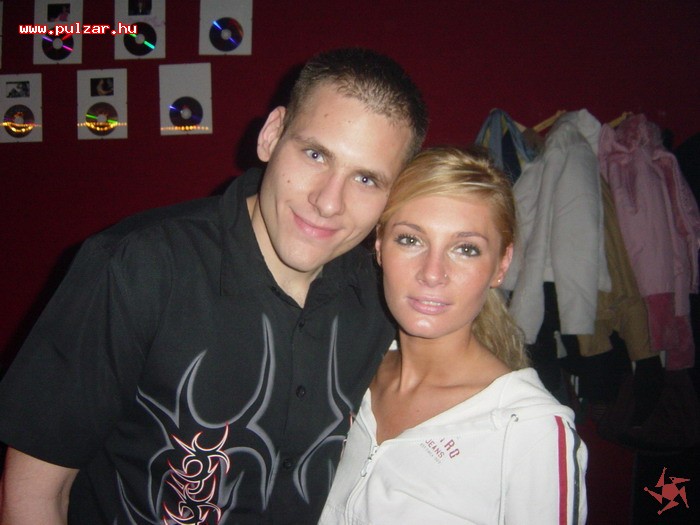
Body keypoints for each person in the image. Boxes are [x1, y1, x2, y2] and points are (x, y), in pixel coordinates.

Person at [0, 48, 427, 524]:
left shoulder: (385, 297)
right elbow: (34, 493)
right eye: (315, 154)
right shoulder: (137, 266)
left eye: (366, 178)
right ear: (271, 134)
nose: (328, 202)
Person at [319, 147, 588, 524]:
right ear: (379, 245)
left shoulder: (529, 429)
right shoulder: (346, 371)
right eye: (410, 240)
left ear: (502, 265)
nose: (432, 273)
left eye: (465, 249)